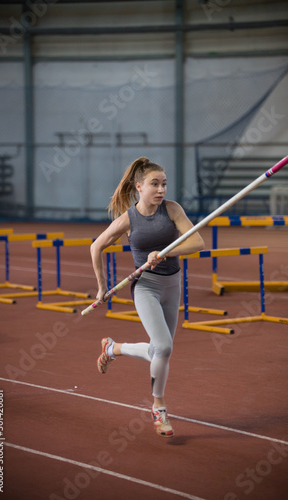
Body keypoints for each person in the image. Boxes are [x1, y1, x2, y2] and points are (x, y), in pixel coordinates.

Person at [90, 157, 205, 438]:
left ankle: (113, 349)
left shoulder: (173, 210)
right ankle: (159, 407)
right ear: (139, 187)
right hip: (146, 287)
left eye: (164, 184)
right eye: (155, 184)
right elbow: (96, 246)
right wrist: (101, 287)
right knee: (164, 348)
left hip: (172, 285)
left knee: (160, 350)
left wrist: (165, 252)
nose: (161, 189)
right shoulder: (129, 219)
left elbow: (197, 242)